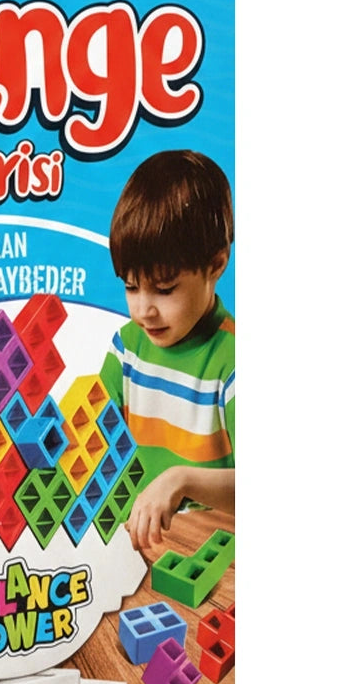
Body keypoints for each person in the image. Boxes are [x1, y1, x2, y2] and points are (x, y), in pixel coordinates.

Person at [104, 150, 235, 551]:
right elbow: (89, 442)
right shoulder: (128, 349)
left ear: (216, 264)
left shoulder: (232, 362)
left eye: (164, 289)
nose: (144, 309)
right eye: (131, 287)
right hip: (135, 547)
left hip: (213, 553)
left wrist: (181, 479)